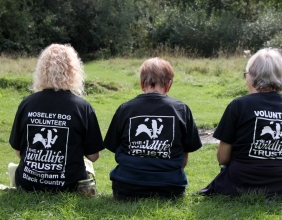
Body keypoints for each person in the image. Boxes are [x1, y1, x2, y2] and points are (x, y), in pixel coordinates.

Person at [199, 48, 282, 197]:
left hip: (241, 183)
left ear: (253, 76)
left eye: (246, 75)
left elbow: (222, 158)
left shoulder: (238, 105)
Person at [103, 57, 202, 201]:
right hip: (170, 188)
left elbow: (114, 146)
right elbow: (184, 157)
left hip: (126, 188)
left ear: (142, 83)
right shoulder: (181, 109)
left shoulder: (125, 109)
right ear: (169, 85)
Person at [9, 44, 104, 192]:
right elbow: (93, 156)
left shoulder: (27, 103)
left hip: (28, 183)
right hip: (69, 184)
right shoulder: (82, 107)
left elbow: (19, 152)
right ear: (73, 71)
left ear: (41, 70)